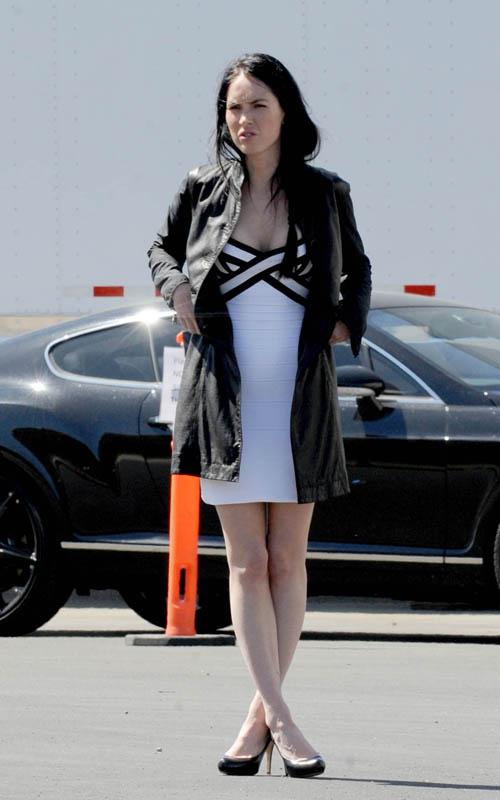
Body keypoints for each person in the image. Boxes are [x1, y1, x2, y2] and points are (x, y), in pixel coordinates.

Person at [147, 52, 372, 778]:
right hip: (224, 395)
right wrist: (177, 288)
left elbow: (357, 269)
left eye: (257, 106)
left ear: (286, 113)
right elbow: (160, 250)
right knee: (246, 562)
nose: (243, 120)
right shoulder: (202, 189)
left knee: (286, 560)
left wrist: (348, 320)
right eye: (233, 108)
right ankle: (281, 720)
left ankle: (256, 720)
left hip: (299, 397)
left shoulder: (325, 193)